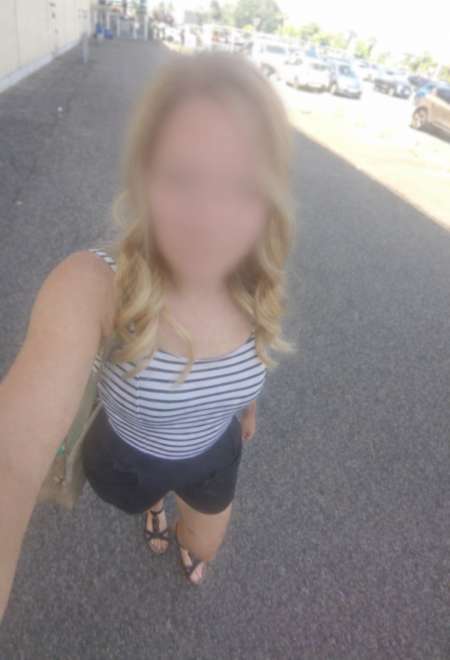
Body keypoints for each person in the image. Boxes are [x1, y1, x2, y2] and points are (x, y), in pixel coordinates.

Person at [0, 50, 296, 616]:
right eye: (183, 176)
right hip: (128, 458)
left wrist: (247, 406)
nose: (209, 217)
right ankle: (155, 506)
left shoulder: (257, 283)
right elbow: (10, 460)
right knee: (149, 502)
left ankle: (177, 524)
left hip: (215, 451)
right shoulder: (96, 287)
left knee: (203, 544)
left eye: (242, 184)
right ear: (144, 178)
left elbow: (253, 357)